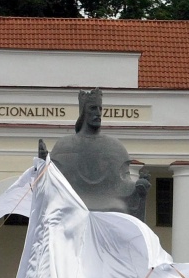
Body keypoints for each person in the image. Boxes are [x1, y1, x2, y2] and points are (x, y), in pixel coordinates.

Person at [43, 88, 150, 220]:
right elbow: (54, 181)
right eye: (93, 108)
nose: (98, 113)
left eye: (100, 109)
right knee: (62, 208)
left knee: (118, 208)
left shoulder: (114, 146)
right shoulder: (64, 145)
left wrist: (138, 187)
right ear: (83, 112)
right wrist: (42, 168)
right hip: (72, 200)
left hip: (109, 201)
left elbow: (123, 183)